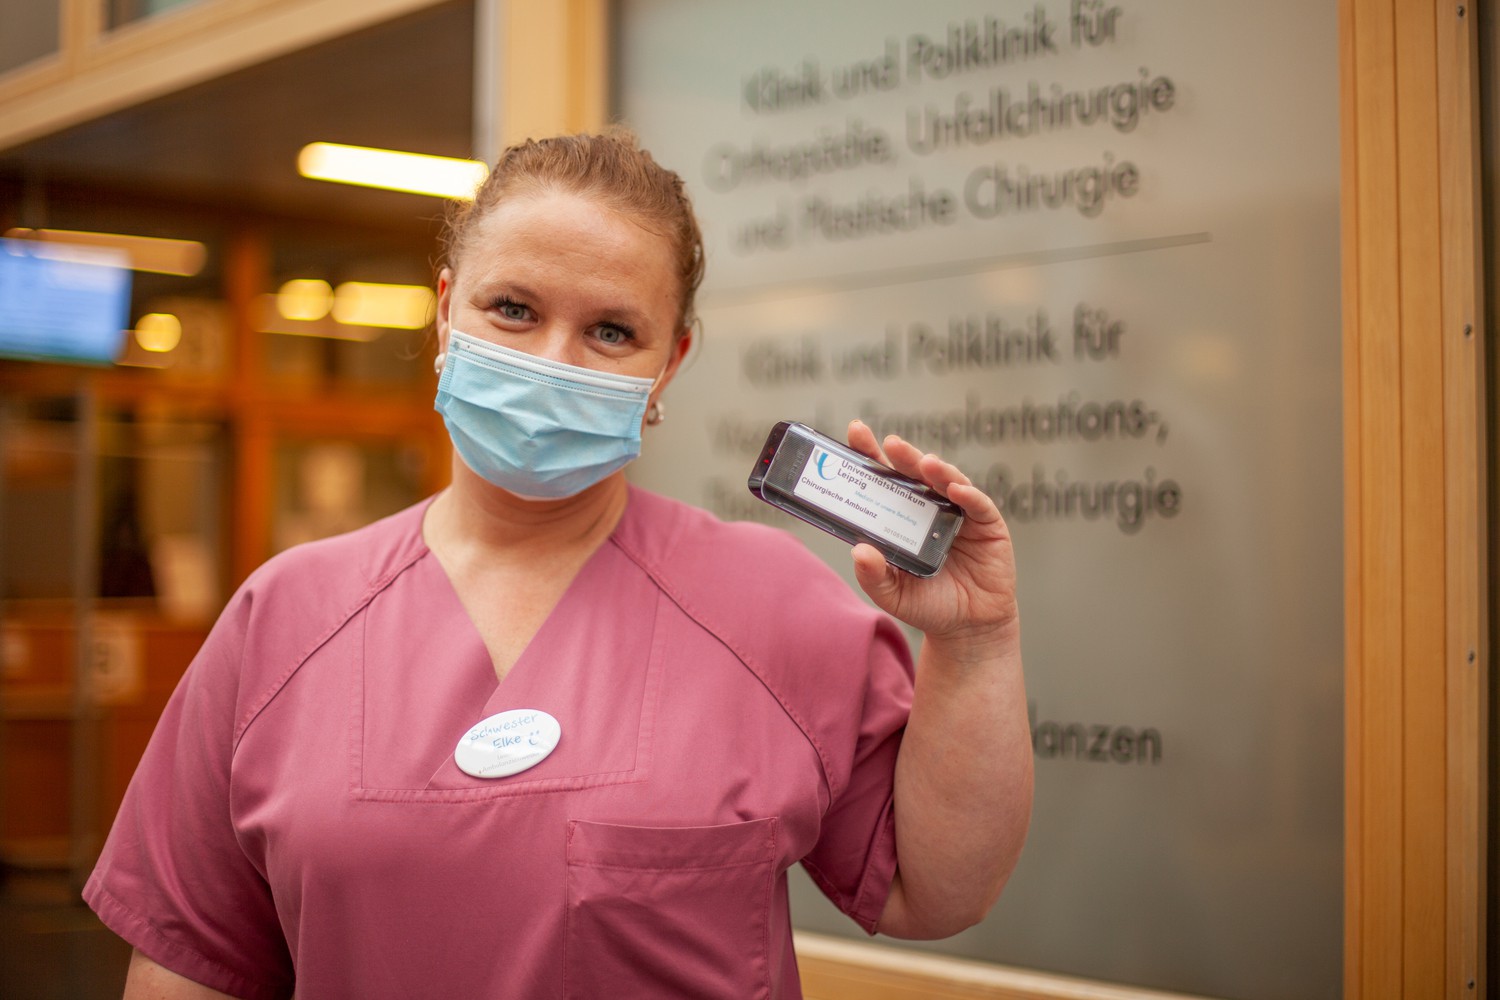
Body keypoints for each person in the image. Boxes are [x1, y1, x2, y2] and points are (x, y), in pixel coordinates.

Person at [84, 129, 1033, 1000]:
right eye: (514, 309)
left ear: (670, 365)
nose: (552, 361)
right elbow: (188, 958)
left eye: (611, 332)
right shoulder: (286, 617)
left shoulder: (774, 606)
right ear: (448, 311)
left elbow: (930, 890)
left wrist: (979, 642)